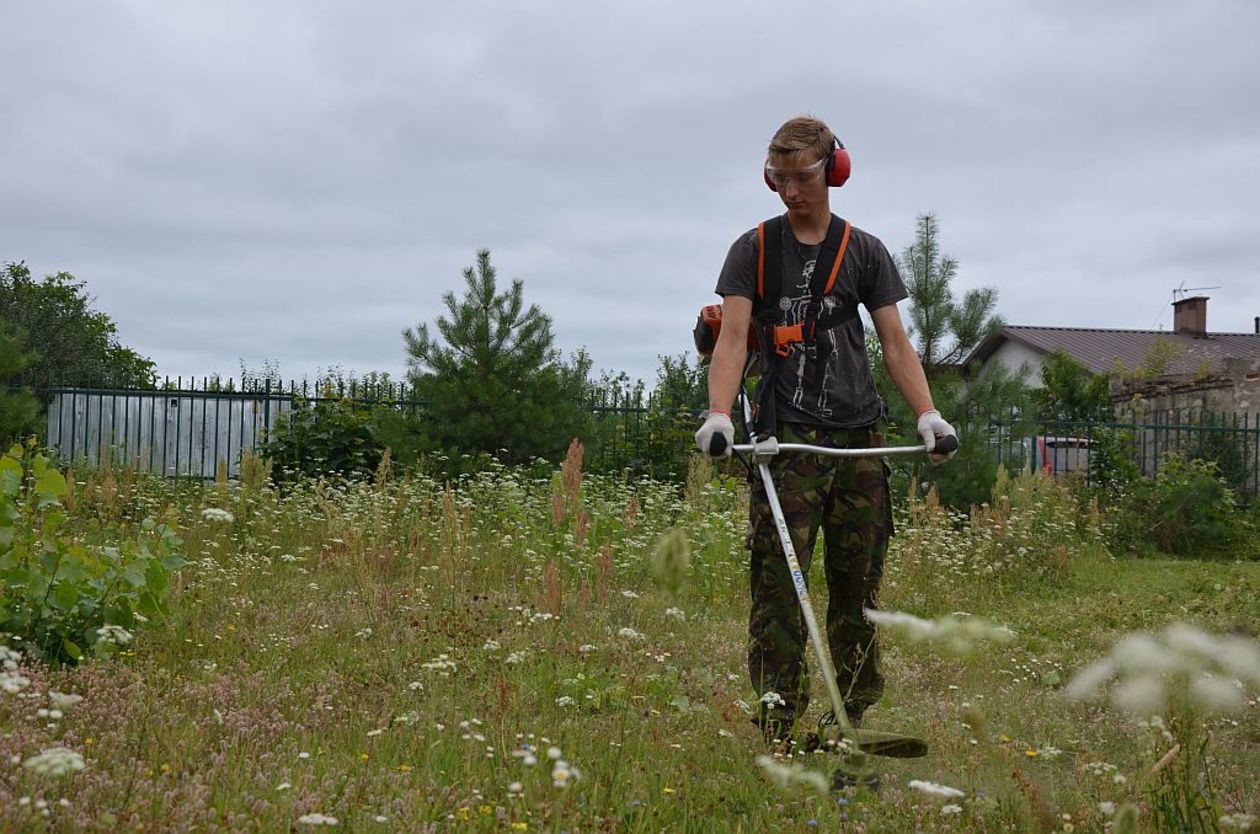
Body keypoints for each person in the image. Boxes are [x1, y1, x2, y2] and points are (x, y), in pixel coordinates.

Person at [694, 116, 958, 759]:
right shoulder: (753, 249)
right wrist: (720, 415)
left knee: (857, 588)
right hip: (788, 443)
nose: (791, 191)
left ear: (834, 171)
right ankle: (779, 724)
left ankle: (853, 718)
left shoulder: (864, 251)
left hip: (861, 438)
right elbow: (732, 337)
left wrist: (927, 415)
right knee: (779, 590)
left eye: (804, 177)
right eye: (779, 179)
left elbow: (895, 343)